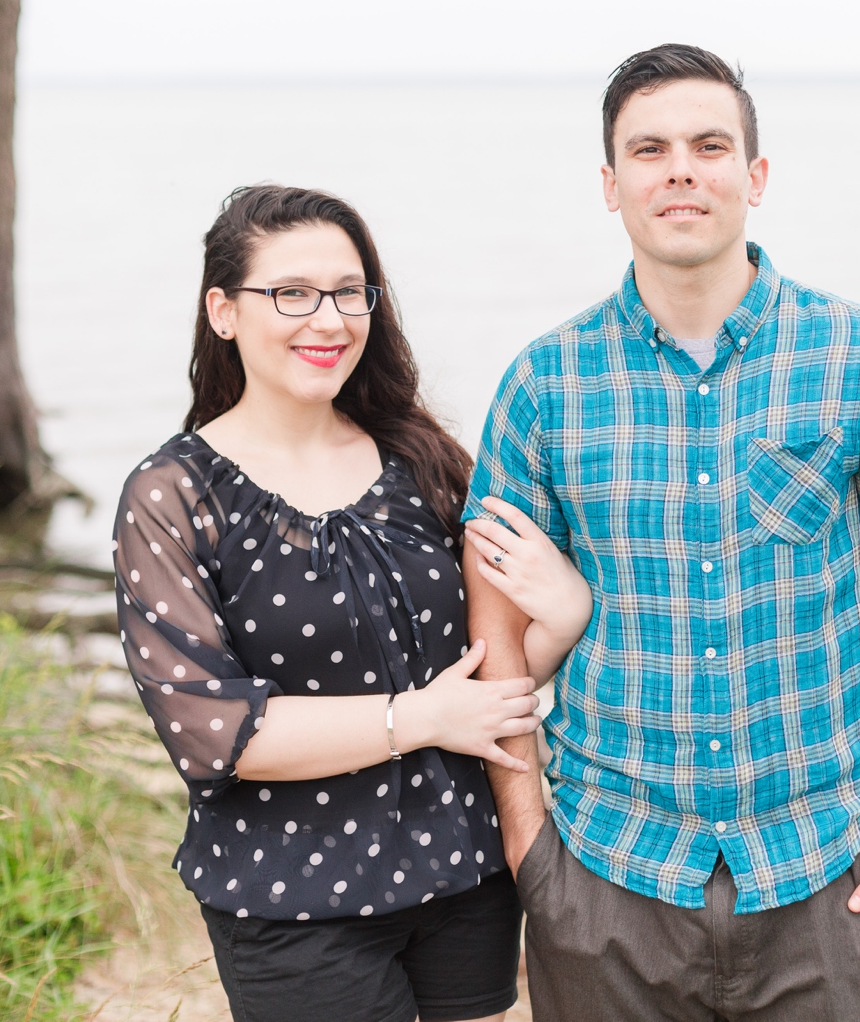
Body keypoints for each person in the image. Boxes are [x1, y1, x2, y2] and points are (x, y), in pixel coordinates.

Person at [461, 45, 860, 1021]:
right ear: (612, 187)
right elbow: (494, 639)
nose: (682, 169)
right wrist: (531, 848)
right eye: (649, 150)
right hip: (608, 873)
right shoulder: (543, 384)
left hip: (837, 867)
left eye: (710, 144)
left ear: (756, 175)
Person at [111, 185, 592, 1022]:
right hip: (289, 894)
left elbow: (480, 677)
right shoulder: (172, 495)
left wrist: (560, 619)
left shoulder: (422, 457)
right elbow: (212, 729)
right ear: (223, 311)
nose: (328, 320)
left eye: (348, 291)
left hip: (465, 874)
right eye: (291, 294)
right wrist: (416, 719)